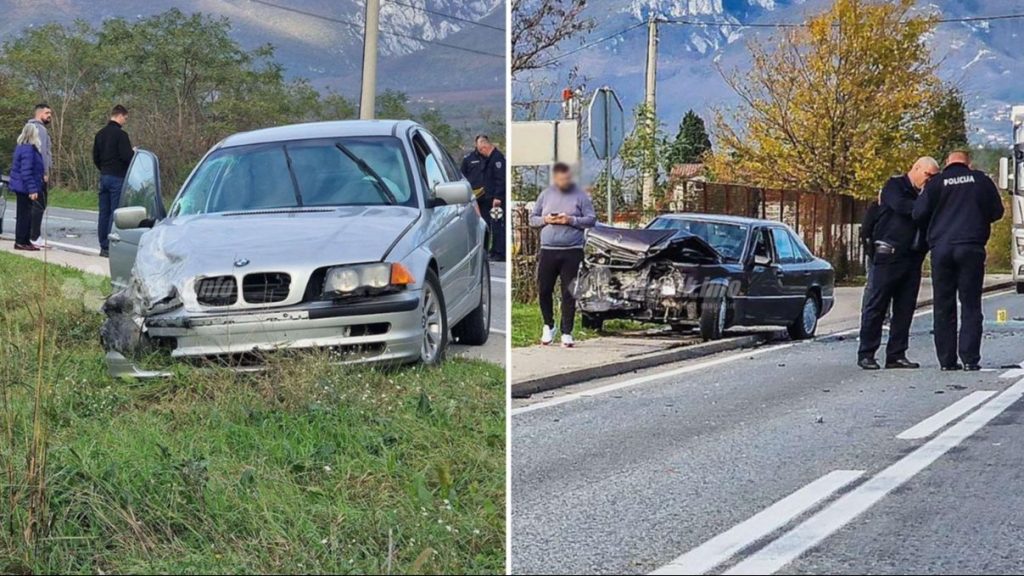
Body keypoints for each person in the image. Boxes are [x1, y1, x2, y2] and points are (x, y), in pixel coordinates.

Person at [913, 150, 1004, 371]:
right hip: (971, 247)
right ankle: (970, 359)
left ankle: (946, 360)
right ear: (968, 164)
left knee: (943, 305)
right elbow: (997, 212)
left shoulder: (936, 183)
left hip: (942, 249)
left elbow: (918, 212)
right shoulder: (981, 180)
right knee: (971, 304)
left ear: (947, 163)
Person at [857, 157, 939, 370]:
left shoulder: (926, 194)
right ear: (916, 168)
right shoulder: (895, 186)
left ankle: (896, 354)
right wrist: (925, 206)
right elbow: (904, 208)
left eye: (933, 178)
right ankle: (866, 353)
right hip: (888, 255)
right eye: (927, 175)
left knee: (905, 308)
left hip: (912, 258)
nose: (929, 181)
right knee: (876, 305)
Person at [528, 163, 597, 347]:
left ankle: (567, 331)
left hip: (572, 250)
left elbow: (591, 219)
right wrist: (546, 219)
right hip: (548, 249)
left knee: (569, 291)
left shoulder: (580, 196)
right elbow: (532, 219)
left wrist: (570, 220)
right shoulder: (545, 195)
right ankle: (548, 325)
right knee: (544, 289)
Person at [92, 104, 134, 257]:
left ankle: (103, 245)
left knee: (103, 212)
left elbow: (95, 157)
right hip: (117, 177)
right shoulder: (121, 135)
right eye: (125, 118)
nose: (125, 121)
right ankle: (110, 246)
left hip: (104, 176)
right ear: (120, 116)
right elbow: (126, 157)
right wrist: (133, 153)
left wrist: (103, 169)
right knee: (114, 212)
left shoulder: (100, 134)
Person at [460, 134, 506, 261]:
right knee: (485, 223)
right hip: (479, 198)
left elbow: (500, 179)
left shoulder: (497, 159)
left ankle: (499, 252)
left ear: (485, 147)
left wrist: (498, 196)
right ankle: (490, 250)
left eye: (481, 150)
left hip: (494, 200)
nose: (480, 152)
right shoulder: (472, 158)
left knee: (497, 225)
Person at [8, 123, 46, 251]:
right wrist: (32, 189)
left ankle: (24, 240)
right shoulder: (28, 149)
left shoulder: (23, 148)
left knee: (25, 214)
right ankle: (20, 241)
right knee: (24, 215)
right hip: (24, 187)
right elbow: (26, 171)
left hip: (23, 185)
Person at [26, 103, 52, 248]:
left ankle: (30, 235)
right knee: (39, 205)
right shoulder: (40, 129)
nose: (50, 116)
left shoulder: (28, 127)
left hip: (31, 172)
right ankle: (35, 236)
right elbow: (42, 152)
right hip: (38, 173)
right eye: (48, 113)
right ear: (40, 114)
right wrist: (45, 172)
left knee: (30, 206)